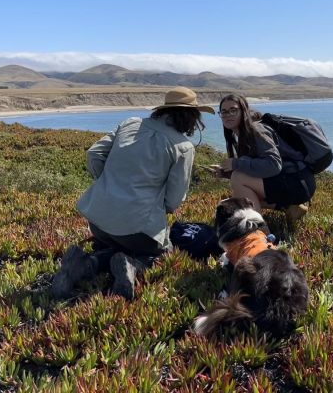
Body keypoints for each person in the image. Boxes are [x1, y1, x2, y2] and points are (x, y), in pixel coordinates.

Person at [51, 86, 214, 300]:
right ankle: (132, 265)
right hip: (136, 229)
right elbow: (174, 200)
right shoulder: (183, 147)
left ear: (163, 110)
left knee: (117, 242)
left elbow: (94, 154)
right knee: (160, 254)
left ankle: (83, 264)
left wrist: (109, 184)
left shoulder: (130, 123)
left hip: (97, 220)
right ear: (191, 117)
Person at [211, 94, 316, 223]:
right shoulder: (244, 132)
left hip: (298, 183)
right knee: (238, 195)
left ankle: (260, 231)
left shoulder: (256, 130)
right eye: (224, 112)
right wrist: (226, 172)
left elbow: (273, 165)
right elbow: (256, 170)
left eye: (233, 110)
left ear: (243, 111)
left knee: (238, 180)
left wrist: (237, 164)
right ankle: (291, 208)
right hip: (296, 180)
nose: (228, 115)